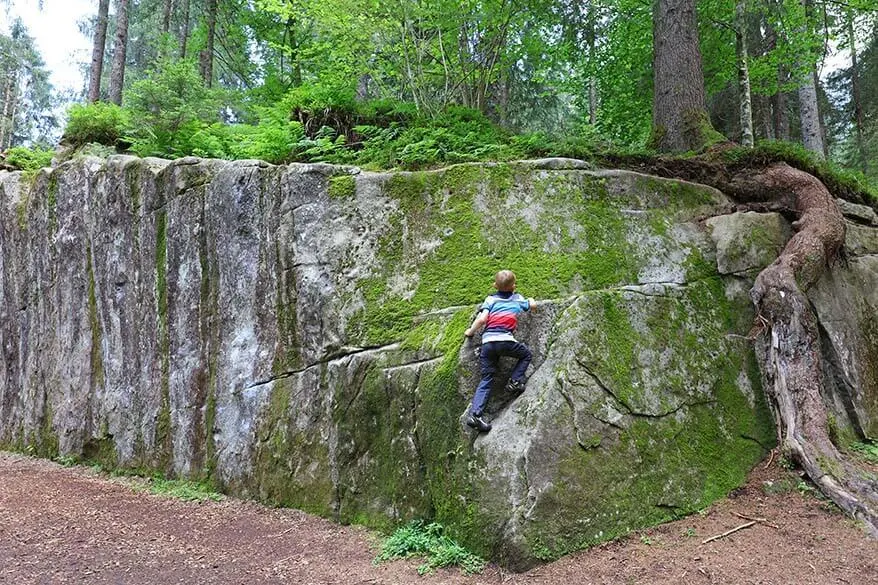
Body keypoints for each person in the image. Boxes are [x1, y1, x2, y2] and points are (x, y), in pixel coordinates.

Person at [463, 270, 536, 433]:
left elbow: (482, 319)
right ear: (514, 286)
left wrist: (470, 331)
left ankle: (475, 415)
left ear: (495, 285)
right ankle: (515, 381)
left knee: (487, 378)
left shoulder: (490, 299)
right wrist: (530, 299)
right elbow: (532, 305)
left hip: (488, 343)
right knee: (526, 355)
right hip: (506, 341)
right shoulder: (517, 299)